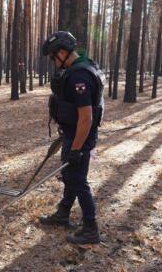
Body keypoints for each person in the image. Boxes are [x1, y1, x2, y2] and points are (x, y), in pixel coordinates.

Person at [39, 31, 105, 244]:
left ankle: (90, 227)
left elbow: (86, 117)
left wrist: (76, 149)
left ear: (62, 52)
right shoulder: (79, 68)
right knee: (70, 176)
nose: (53, 61)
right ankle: (63, 214)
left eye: (52, 57)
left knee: (78, 180)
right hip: (73, 134)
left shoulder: (79, 77)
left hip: (81, 137)